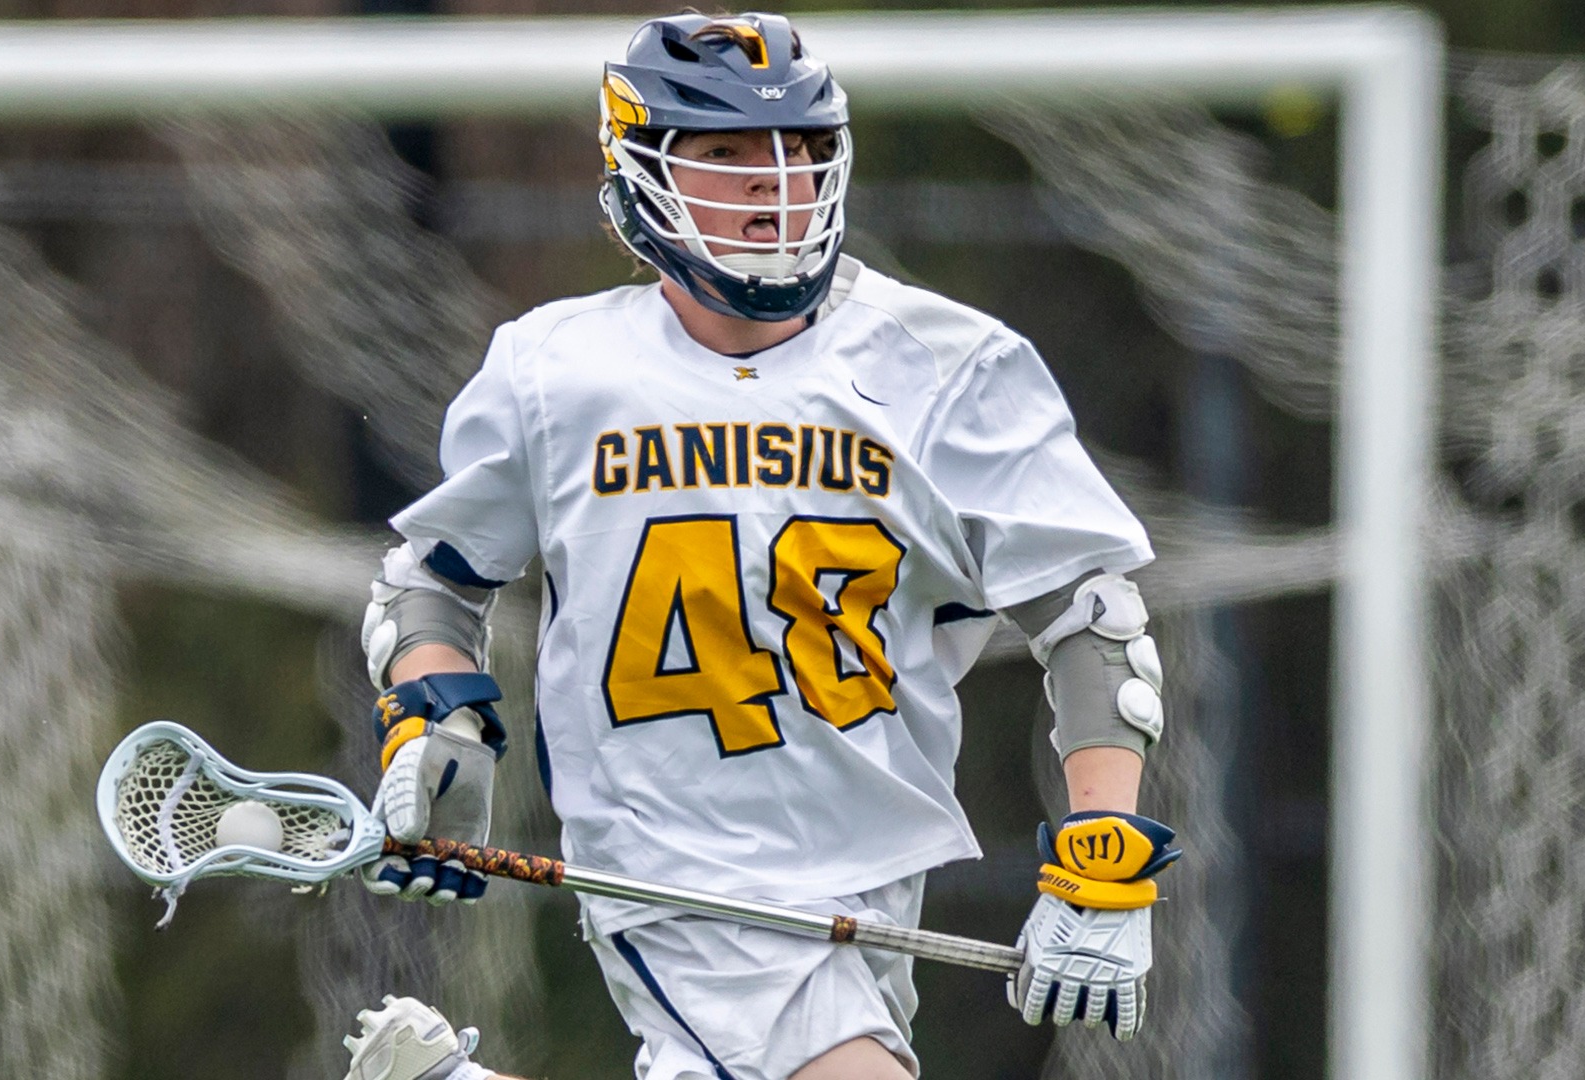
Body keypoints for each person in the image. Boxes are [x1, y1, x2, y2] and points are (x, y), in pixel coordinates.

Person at [345, 12, 1178, 1080]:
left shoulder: (950, 365)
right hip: (677, 859)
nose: (773, 184)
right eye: (729, 154)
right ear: (640, 174)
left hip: (878, 854)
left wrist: (1101, 856)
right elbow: (430, 582)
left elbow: (1091, 617)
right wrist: (438, 724)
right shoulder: (556, 370)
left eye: (800, 151)